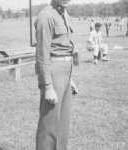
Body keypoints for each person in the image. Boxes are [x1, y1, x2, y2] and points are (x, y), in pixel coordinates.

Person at [35, 0, 78, 150]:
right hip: (53, 72)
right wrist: (47, 86)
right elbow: (42, 54)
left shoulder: (64, 14)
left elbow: (66, 48)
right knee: (49, 126)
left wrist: (70, 79)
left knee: (62, 126)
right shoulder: (46, 16)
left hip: (66, 70)